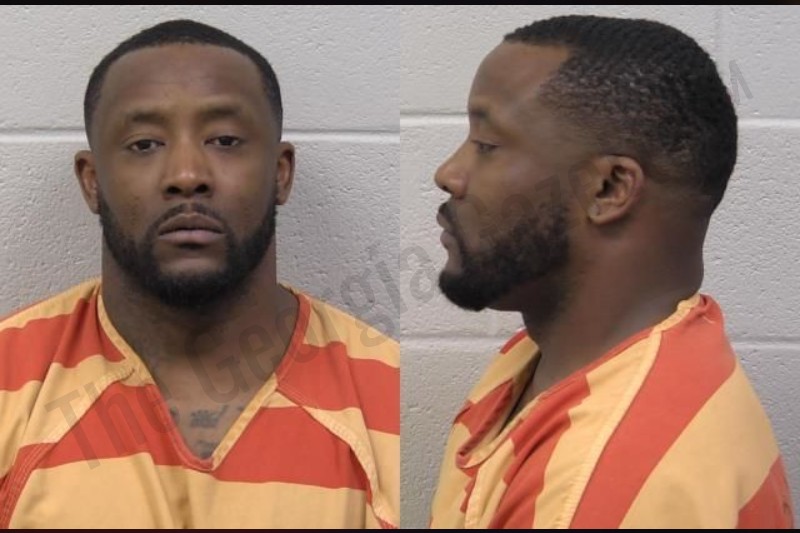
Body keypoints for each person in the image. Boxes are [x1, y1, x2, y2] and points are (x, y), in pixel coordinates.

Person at [0, 19, 398, 528]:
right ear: (92, 181)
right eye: (144, 144)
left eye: (225, 140)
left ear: (281, 173)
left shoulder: (385, 395)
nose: (187, 175)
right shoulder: (11, 379)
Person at [429, 14, 793, 529]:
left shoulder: (615, 488)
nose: (448, 174)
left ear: (609, 188)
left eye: (487, 145)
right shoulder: (544, 359)